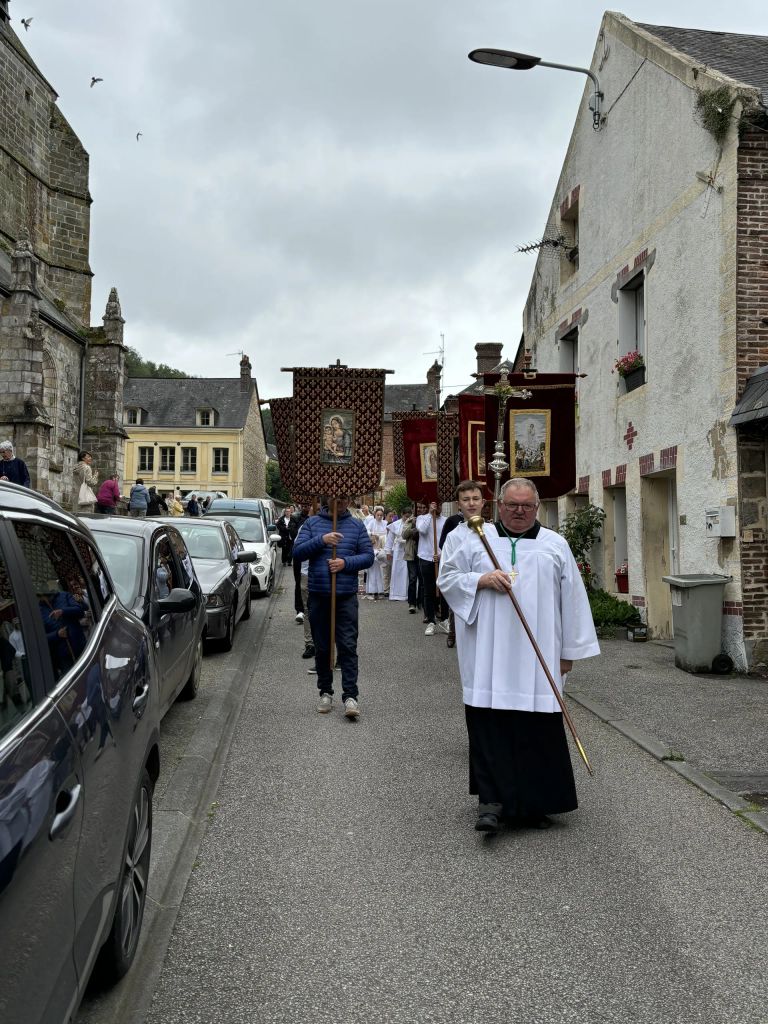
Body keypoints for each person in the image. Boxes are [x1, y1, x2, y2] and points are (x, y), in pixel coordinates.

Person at [438, 477, 600, 836]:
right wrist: (480, 580)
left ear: (537, 507)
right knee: (490, 728)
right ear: (498, 506)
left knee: (535, 731)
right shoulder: (474, 539)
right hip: (487, 655)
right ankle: (491, 803)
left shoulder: (554, 544)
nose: (519, 512)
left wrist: (568, 653)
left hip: (538, 655)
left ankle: (533, 804)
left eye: (526, 506)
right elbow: (447, 578)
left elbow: (572, 600)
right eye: (512, 505)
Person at [292, 495, 374, 719]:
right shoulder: (312, 524)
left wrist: (345, 563)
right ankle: (325, 691)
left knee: (347, 645)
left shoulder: (357, 526)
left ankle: (350, 696)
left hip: (345, 595)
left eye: (344, 498)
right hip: (319, 594)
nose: (339, 502)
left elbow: (368, 557)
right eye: (335, 498)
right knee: (322, 647)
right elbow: (297, 553)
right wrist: (322, 540)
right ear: (326, 498)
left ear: (349, 501)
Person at [439, 481, 487, 649]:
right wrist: (477, 581)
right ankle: (452, 632)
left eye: (476, 498)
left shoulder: (494, 532)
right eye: (466, 499)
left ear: (483, 502)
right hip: (466, 600)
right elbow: (446, 578)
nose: (471, 503)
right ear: (458, 504)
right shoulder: (453, 537)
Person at [417, 500, 448, 635]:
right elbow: (422, 530)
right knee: (428, 590)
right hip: (426, 558)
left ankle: (445, 619)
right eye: (435, 504)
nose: (437, 507)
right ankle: (430, 620)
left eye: (439, 505)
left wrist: (442, 555)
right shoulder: (422, 518)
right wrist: (430, 514)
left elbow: (449, 540)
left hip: (442, 559)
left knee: (444, 589)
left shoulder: (446, 521)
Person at [401, 502, 424, 613]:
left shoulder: (426, 519)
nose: (419, 509)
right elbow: (404, 535)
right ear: (413, 508)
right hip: (412, 553)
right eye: (417, 507)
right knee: (413, 578)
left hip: (423, 553)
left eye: (421, 507)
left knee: (422, 579)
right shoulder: (409, 520)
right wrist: (412, 527)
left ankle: (420, 602)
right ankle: (412, 603)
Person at [385, 509, 409, 602]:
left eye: (408, 516)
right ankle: (397, 594)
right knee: (397, 571)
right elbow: (390, 539)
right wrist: (388, 551)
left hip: (408, 549)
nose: (407, 518)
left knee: (407, 572)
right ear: (402, 514)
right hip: (398, 550)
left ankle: (407, 593)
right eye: (405, 516)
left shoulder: (412, 523)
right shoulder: (395, 524)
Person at [364, 507, 387, 599]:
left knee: (381, 571)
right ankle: (371, 591)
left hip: (382, 547)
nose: (379, 517)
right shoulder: (372, 522)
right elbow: (366, 531)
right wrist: (372, 535)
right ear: (375, 515)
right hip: (373, 547)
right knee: (372, 570)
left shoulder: (385, 523)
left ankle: (380, 591)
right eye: (378, 515)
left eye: (381, 515)